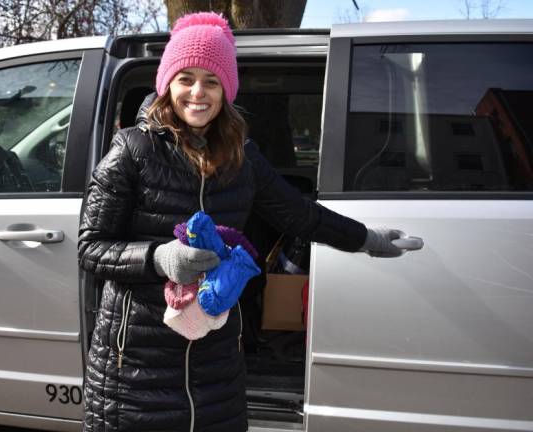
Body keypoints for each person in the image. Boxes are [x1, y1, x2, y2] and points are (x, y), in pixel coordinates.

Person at [78, 12, 407, 432]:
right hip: (138, 361)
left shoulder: (242, 157)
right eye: (186, 78)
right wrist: (161, 257)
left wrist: (367, 239)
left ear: (226, 90)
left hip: (215, 358)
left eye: (211, 81)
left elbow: (299, 214)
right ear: (167, 85)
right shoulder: (132, 150)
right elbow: (90, 247)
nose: (198, 93)